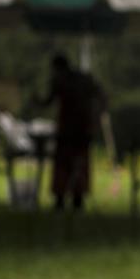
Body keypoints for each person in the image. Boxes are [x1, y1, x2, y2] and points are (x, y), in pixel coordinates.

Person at [40, 53, 104, 211]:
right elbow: (101, 96)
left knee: (63, 164)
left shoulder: (60, 80)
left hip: (68, 129)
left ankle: (61, 198)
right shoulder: (84, 79)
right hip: (83, 128)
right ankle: (78, 197)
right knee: (80, 163)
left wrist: (35, 99)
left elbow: (48, 101)